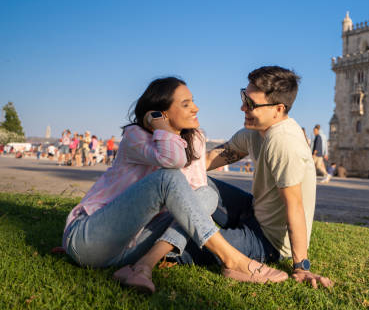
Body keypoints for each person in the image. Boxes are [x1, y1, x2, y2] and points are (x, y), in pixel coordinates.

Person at [62, 77, 287, 294]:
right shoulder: (136, 136)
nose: (196, 108)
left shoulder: (194, 139)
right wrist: (162, 128)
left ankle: (144, 266)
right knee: (168, 178)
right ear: (162, 112)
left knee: (207, 194)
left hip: (129, 249)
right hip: (90, 239)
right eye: (186, 104)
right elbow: (172, 162)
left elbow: (198, 193)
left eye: (193, 101)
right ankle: (232, 260)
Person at [183, 66, 333, 288]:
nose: (242, 106)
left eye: (251, 104)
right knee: (194, 181)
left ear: (278, 109)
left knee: (188, 249)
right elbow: (206, 162)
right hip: (252, 209)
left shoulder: (284, 142)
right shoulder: (254, 132)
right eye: (244, 96)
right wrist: (168, 177)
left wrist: (301, 266)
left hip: (268, 241)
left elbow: (295, 205)